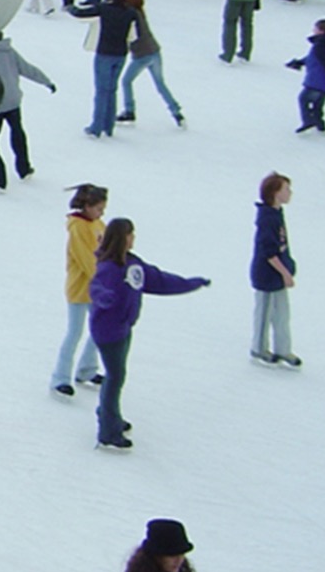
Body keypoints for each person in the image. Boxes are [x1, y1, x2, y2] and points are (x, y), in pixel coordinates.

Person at [88, 220, 210, 449]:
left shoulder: (133, 264)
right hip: (107, 331)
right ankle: (107, 431)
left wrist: (191, 283)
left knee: (117, 376)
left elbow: (160, 281)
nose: (133, 238)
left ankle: (110, 415)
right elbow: (95, 287)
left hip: (124, 328)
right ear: (121, 238)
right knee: (114, 377)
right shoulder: (109, 267)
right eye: (130, 234)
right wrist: (104, 298)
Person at [51, 183, 109, 397]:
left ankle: (87, 369)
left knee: (98, 331)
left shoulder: (99, 225)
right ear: (86, 205)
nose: (101, 213)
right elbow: (85, 258)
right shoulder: (78, 228)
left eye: (103, 209)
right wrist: (103, 279)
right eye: (98, 208)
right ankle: (60, 378)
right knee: (74, 332)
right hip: (81, 288)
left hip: (98, 288)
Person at [0, 37, 55, 190]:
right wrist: (46, 81)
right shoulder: (8, 51)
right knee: (17, 132)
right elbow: (27, 69)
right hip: (13, 101)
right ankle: (24, 169)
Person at [67, 0, 140, 138]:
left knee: (101, 90)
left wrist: (70, 8)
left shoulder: (103, 9)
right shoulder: (130, 13)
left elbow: (81, 15)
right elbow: (133, 36)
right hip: (121, 54)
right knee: (112, 90)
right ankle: (109, 126)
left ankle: (96, 127)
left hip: (104, 53)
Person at [248, 172, 300, 367]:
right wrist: (285, 273)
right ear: (276, 193)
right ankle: (259, 347)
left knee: (282, 313)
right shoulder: (267, 218)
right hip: (267, 275)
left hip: (277, 275)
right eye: (286, 189)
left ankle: (283, 349)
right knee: (265, 312)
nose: (290, 193)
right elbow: (269, 251)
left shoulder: (277, 213)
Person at [115, 0, 186, 128]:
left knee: (126, 81)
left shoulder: (131, 16)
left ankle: (129, 111)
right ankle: (176, 112)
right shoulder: (140, 14)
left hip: (143, 55)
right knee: (160, 84)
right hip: (155, 52)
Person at [285, 18, 325, 133]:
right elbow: (313, 58)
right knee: (318, 104)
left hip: (318, 80)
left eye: (315, 28)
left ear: (321, 31)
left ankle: (308, 120)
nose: (313, 30)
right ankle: (320, 124)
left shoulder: (320, 45)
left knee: (304, 99)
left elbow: (323, 61)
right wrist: (299, 62)